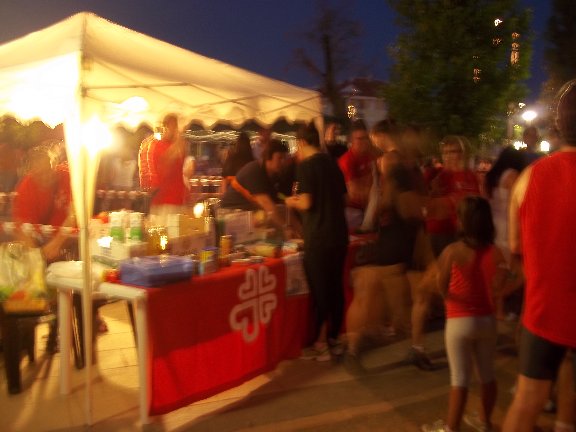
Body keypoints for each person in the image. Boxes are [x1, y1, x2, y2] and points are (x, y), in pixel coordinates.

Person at [502, 79, 576, 432]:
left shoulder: (529, 177)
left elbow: (515, 247)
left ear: (559, 124)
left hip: (543, 310)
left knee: (527, 400)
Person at [422, 196, 506, 432]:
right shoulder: (495, 252)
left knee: (459, 379)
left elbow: (441, 284)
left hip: (459, 320)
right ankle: (485, 422)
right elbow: (506, 280)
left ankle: (451, 428)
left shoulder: (453, 251)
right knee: (487, 374)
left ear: (463, 221)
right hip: (487, 320)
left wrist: (451, 298)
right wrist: (496, 294)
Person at [344, 134, 425, 375]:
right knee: (390, 300)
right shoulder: (402, 189)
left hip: (391, 251)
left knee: (375, 298)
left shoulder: (386, 193)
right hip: (396, 254)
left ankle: (356, 347)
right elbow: (415, 215)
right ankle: (360, 346)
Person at [285, 123, 348, 361]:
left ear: (301, 142)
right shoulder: (332, 163)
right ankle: (334, 338)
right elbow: (346, 198)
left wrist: (291, 201)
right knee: (335, 288)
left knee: (320, 290)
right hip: (339, 235)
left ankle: (320, 343)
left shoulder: (306, 167)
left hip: (319, 238)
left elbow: (306, 202)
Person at [483, 146, 526, 319]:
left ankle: (498, 310)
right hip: (509, 229)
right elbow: (519, 201)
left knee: (500, 271)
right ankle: (499, 299)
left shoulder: (492, 177)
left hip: (496, 228)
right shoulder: (512, 175)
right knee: (521, 273)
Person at [425, 136, 480, 257]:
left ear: (462, 153)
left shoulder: (470, 176)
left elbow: (473, 203)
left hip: (460, 232)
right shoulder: (436, 175)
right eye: (445, 152)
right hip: (438, 231)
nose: (448, 156)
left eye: (453, 152)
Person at [220, 139, 289, 231]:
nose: (283, 162)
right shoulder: (255, 170)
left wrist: (285, 199)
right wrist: (285, 228)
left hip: (248, 215)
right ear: (268, 157)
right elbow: (266, 203)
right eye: (280, 158)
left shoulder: (273, 175)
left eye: (284, 158)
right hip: (231, 216)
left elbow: (278, 196)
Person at [338, 119, 381, 231]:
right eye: (359, 139)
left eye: (366, 138)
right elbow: (354, 193)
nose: (364, 142)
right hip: (352, 213)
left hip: (368, 210)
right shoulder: (347, 161)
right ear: (351, 140)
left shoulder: (371, 155)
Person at [143, 114, 187, 221]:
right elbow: (167, 162)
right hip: (164, 202)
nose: (176, 129)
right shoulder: (158, 145)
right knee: (163, 230)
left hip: (178, 200)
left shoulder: (177, 146)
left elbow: (182, 169)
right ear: (166, 127)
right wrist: (179, 141)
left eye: (176, 126)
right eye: (174, 126)